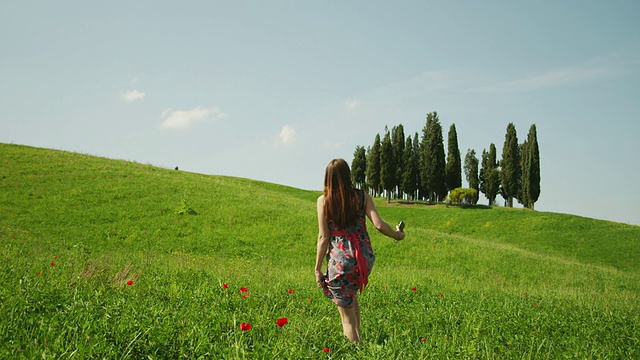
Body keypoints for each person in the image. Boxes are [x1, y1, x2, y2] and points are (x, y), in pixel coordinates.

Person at [315, 158, 405, 342]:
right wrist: (397, 235)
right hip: (363, 259)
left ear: (328, 178)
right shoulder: (362, 196)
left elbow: (323, 237)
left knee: (346, 320)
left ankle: (355, 351)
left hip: (340, 263)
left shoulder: (324, 201)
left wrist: (317, 268)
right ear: (348, 175)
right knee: (351, 296)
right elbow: (379, 225)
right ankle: (360, 342)